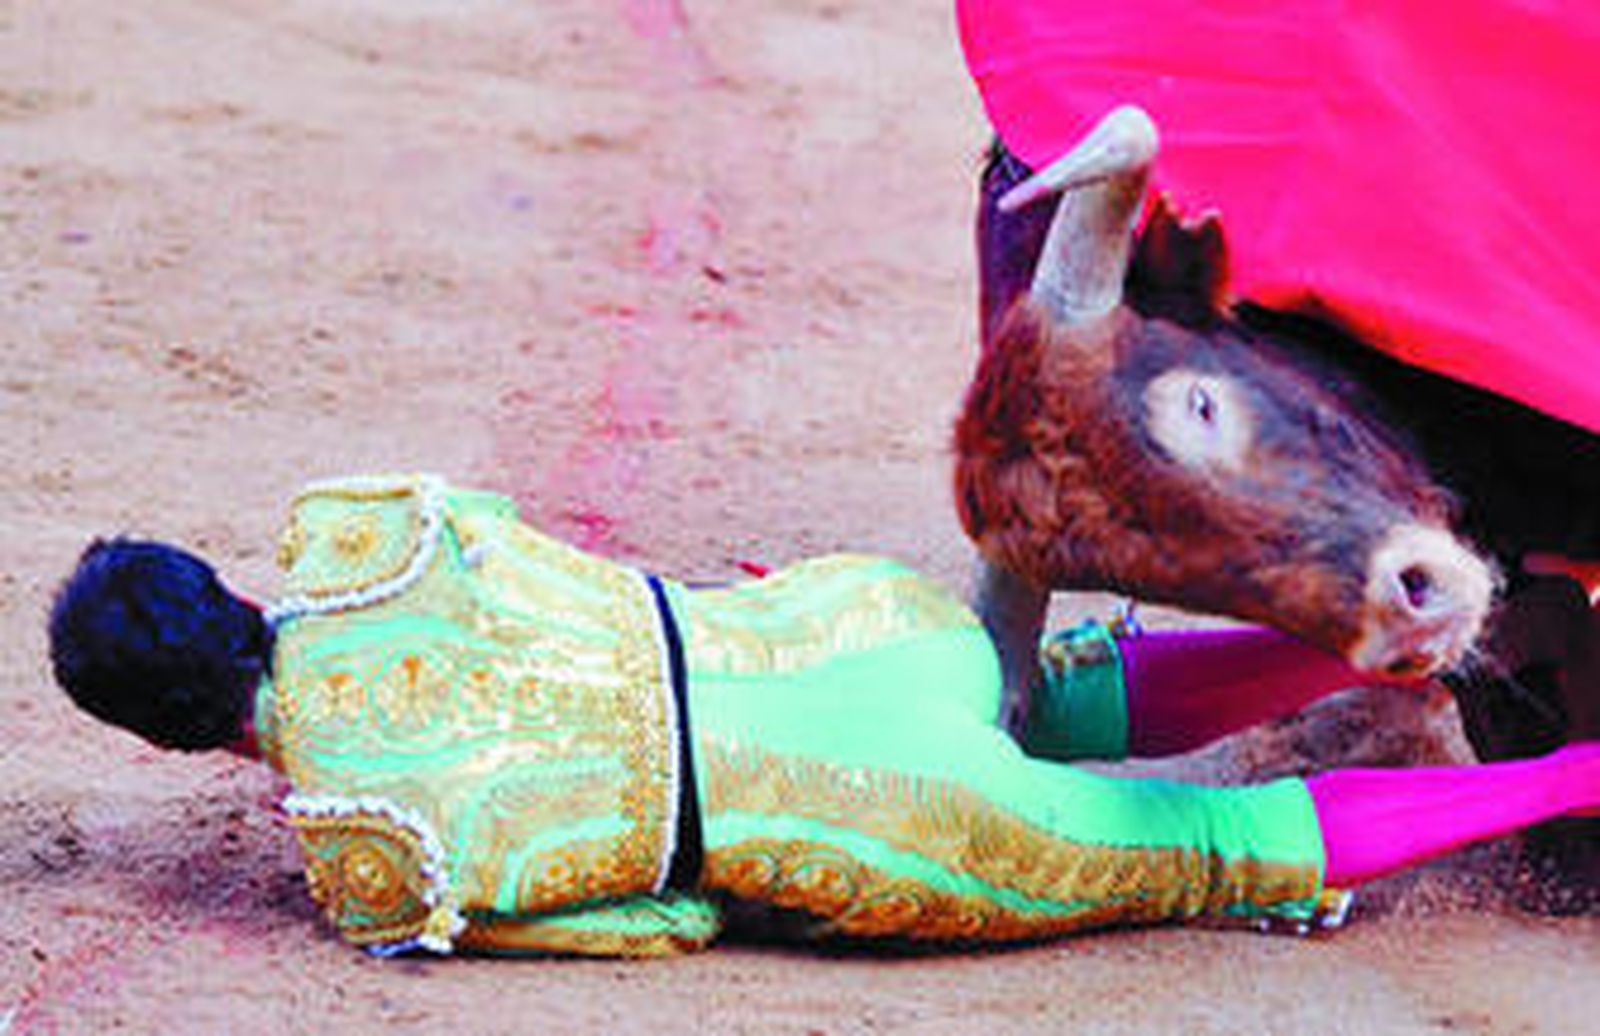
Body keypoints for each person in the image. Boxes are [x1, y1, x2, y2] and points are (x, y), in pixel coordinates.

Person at [48, 473, 1600, 956]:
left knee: (1213, 845)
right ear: (219, 581)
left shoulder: (367, 850)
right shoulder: (368, 530)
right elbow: (531, 540)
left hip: (862, 811)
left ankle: (1585, 766)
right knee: (1048, 696)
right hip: (840, 618)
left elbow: (659, 930)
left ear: (158, 733)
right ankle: (1425, 637)